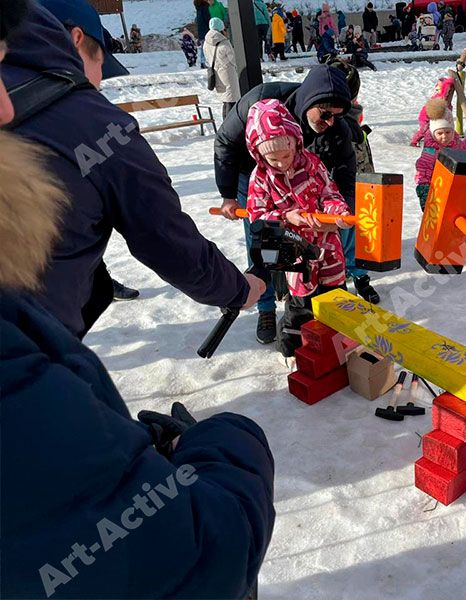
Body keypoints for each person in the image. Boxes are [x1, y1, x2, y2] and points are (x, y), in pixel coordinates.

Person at [0, 4, 276, 597]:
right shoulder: (90, 120)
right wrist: (228, 439)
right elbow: (193, 554)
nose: (4, 109)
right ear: (78, 40)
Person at [2, 0, 265, 340]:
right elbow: (164, 236)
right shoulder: (94, 122)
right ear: (76, 39)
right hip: (26, 342)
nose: (98, 84)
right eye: (102, 66)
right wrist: (236, 289)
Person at [213, 66, 381, 343]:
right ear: (309, 103)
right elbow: (225, 145)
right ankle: (268, 310)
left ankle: (334, 326)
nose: (330, 121)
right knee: (267, 251)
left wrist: (338, 212)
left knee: (331, 280)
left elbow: (339, 181)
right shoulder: (260, 105)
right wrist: (230, 195)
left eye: (337, 116)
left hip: (316, 227)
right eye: (325, 114)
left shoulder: (321, 149)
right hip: (255, 177)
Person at [246, 99, 352, 357]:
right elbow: (257, 216)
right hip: (294, 251)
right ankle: (292, 350)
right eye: (273, 158)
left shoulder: (313, 164)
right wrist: (286, 217)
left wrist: (336, 212)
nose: (282, 162)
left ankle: (338, 345)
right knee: (301, 303)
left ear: (296, 141)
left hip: (327, 244)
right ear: (259, 154)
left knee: (336, 295)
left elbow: (329, 193)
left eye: (286, 154)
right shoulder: (261, 177)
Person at [415, 99, 466, 210]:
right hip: (435, 190)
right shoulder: (431, 152)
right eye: (439, 133)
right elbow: (423, 171)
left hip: (452, 188)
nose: (444, 136)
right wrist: (425, 190)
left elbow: (465, 150)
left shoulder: (455, 144)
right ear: (433, 133)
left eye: (448, 132)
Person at [205, 17, 241, 117]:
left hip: (217, 74)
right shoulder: (224, 42)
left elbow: (207, 58)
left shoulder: (206, 42)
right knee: (231, 101)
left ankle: (225, 125)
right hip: (228, 75)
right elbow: (233, 60)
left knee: (225, 102)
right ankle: (230, 127)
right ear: (221, 28)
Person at [195, 0, 211, 66]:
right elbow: (207, 19)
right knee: (208, 47)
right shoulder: (205, 7)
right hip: (206, 30)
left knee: (203, 47)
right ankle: (206, 62)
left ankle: (202, 62)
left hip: (201, 31)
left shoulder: (198, 8)